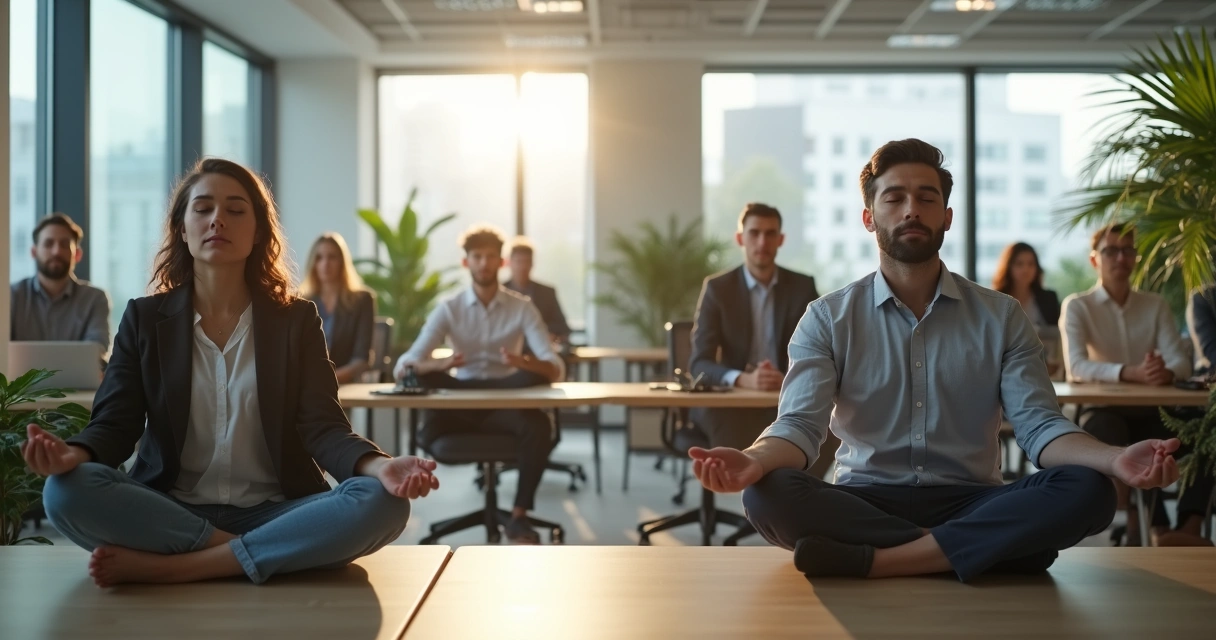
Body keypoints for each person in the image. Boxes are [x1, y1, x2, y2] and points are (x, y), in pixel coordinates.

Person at [688, 139, 1178, 583]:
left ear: (946, 215)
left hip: (971, 495)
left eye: (926, 198)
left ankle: (882, 560)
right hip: (866, 495)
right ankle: (981, 548)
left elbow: (1041, 428)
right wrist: (752, 460)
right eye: (894, 198)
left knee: (1089, 489)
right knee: (765, 493)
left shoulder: (1002, 316)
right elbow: (799, 428)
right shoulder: (827, 318)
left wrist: (1115, 459)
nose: (911, 210)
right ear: (868, 218)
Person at [22, 158, 439, 588]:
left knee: (383, 502)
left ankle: (183, 567)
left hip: (277, 507)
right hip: (172, 508)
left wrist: (379, 466)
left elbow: (324, 428)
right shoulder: (144, 319)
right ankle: (259, 550)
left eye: (236, 210)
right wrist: (75, 456)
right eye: (202, 209)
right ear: (182, 229)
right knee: (64, 492)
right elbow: (115, 423)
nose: (218, 219)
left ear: (257, 231)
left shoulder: (296, 320)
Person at [394, 225, 565, 544]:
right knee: (426, 375)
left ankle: (518, 517)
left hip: (507, 397)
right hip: (461, 399)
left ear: (501, 263)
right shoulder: (450, 308)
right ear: (466, 263)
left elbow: (556, 367)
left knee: (539, 423)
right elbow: (403, 367)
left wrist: (524, 363)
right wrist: (440, 364)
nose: (484, 263)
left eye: (490, 257)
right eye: (477, 257)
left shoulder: (522, 306)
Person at [1061, 224, 1210, 546]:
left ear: (1135, 258)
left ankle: (1188, 528)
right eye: (1110, 250)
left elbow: (1180, 360)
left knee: (1205, 431)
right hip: (1105, 411)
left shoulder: (1154, 304)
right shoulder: (1078, 305)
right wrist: (1130, 372)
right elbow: (1076, 366)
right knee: (1109, 432)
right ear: (1094, 260)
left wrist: (1165, 373)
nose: (1120, 257)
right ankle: (1152, 528)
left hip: (1157, 410)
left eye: (1127, 250)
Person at [689, 202, 834, 476]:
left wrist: (788, 375)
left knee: (829, 429)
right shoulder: (718, 289)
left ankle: (787, 507)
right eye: (754, 233)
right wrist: (743, 379)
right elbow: (699, 364)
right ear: (740, 238)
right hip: (731, 404)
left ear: (781, 240)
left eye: (770, 234)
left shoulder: (802, 286)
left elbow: (819, 351)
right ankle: (765, 512)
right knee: (744, 454)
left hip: (784, 398)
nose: (762, 242)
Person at [11, 212, 112, 355]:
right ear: (34, 252)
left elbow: (97, 350)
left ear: (77, 254)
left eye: (64, 244)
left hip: (78, 378)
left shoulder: (95, 299)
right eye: (48, 243)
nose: (56, 251)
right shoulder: (11, 296)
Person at [299, 232, 375, 384]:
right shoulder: (301, 301)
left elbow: (361, 360)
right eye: (319, 257)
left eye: (332, 257)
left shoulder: (362, 300)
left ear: (342, 262)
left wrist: (328, 380)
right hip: (307, 385)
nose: (325, 264)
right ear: (313, 263)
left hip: (344, 384)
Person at [992, 242, 1062, 375]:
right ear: (1008, 267)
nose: (1026, 269)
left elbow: (1057, 336)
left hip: (1045, 367)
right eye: (1019, 264)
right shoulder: (995, 299)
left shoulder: (1048, 298)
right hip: (1005, 368)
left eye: (1031, 264)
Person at [503, 236, 572, 346]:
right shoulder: (499, 291)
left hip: (539, 351)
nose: (523, 267)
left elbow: (562, 327)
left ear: (532, 263)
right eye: (519, 261)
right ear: (509, 263)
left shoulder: (547, 292)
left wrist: (544, 332)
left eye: (527, 261)